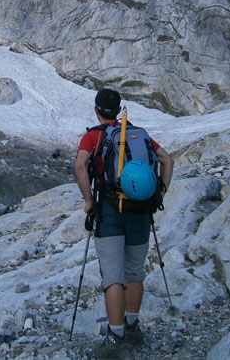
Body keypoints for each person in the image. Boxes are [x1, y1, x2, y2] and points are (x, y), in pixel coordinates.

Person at [74, 88, 174, 358]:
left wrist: (88, 201)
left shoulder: (94, 136)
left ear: (97, 109)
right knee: (135, 272)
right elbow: (166, 159)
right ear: (118, 111)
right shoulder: (136, 134)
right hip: (141, 211)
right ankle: (133, 326)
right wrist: (159, 194)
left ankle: (115, 337)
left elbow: (81, 165)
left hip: (110, 211)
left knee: (113, 277)